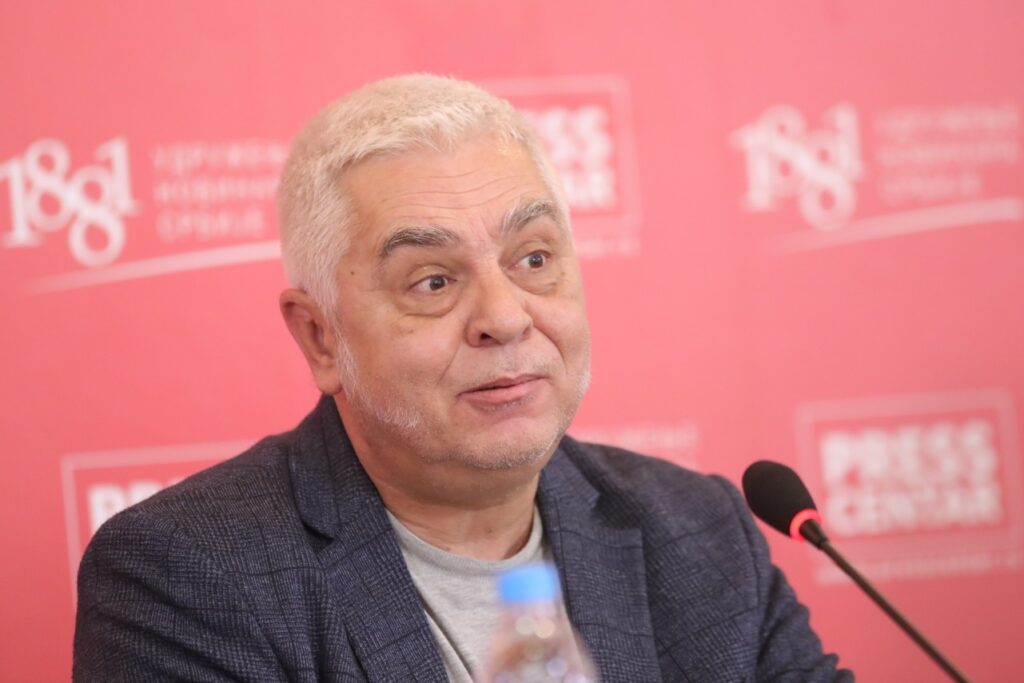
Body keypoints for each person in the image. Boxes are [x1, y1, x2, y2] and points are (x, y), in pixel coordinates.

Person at [73, 74, 852, 682]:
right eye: (434, 281)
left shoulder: (698, 532)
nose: (505, 317)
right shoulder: (188, 572)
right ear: (320, 335)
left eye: (534, 259)